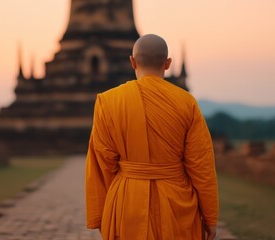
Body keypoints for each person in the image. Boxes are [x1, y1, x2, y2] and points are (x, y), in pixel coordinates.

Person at [85, 34, 218, 240]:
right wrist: (210, 217)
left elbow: (102, 165)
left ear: (132, 61)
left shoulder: (108, 102)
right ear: (167, 64)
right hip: (176, 203)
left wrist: (103, 214)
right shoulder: (186, 103)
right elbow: (201, 166)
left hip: (126, 200)